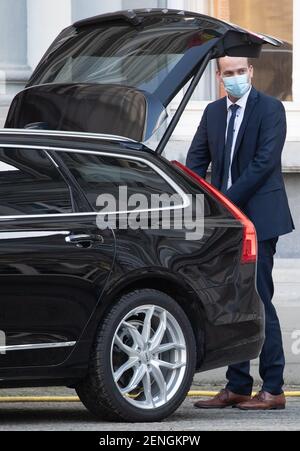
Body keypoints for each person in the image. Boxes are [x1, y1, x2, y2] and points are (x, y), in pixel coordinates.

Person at [187, 56, 295, 410]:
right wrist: (195, 197)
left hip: (259, 219)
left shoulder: (271, 109)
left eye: (239, 72)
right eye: (227, 73)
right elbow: (196, 161)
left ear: (250, 72)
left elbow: (264, 164)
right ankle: (237, 385)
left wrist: (224, 202)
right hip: (226, 222)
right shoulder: (213, 113)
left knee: (258, 300)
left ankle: (274, 388)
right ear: (219, 77)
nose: (234, 78)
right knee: (233, 302)